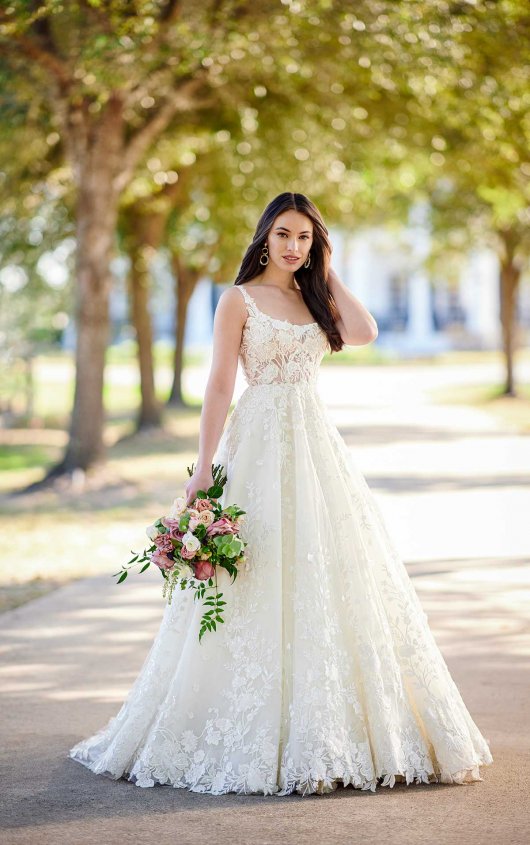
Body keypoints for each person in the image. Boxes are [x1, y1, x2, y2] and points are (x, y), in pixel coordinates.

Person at [69, 191, 493, 796]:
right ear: (264, 235)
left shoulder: (314, 298)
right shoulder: (237, 299)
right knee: (256, 572)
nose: (294, 247)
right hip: (257, 445)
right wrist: (202, 469)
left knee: (326, 575)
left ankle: (328, 730)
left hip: (316, 448)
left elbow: (366, 330)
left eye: (305, 238)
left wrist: (328, 269)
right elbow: (218, 385)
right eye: (285, 235)